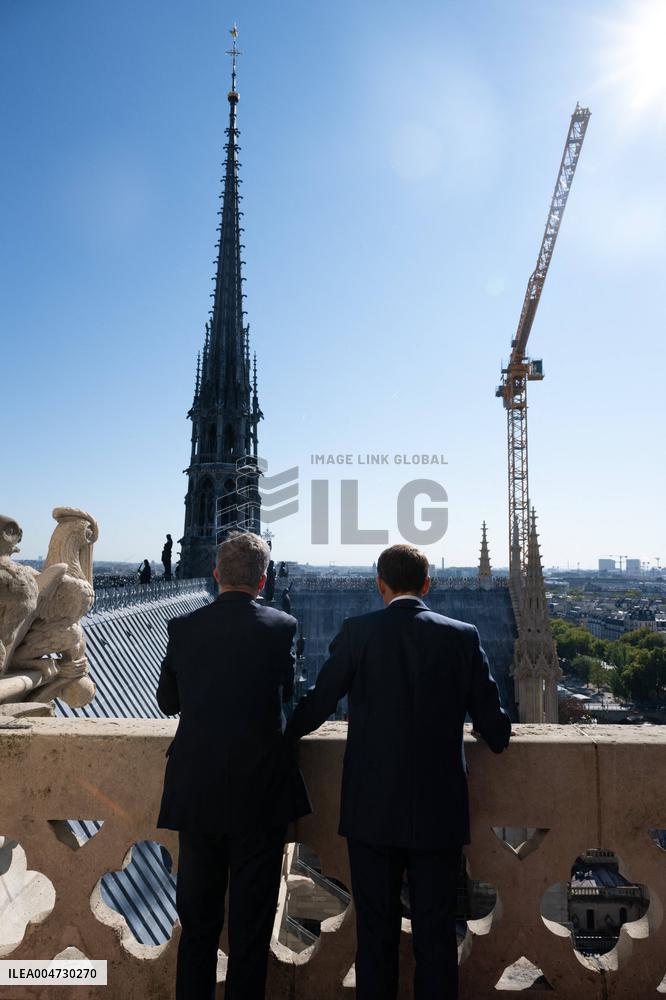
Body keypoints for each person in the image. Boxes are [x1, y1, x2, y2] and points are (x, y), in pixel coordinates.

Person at [285, 543, 511, 1000]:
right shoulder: (463, 636)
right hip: (439, 810)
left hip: (371, 807)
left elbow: (315, 708)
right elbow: (497, 732)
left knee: (375, 936)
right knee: (437, 937)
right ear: (427, 585)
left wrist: (280, 731)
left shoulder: (357, 632)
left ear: (379, 585)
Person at [156, 530, 310, 1000]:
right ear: (263, 581)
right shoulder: (282, 626)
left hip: (197, 789)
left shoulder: (184, 627)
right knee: (251, 929)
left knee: (197, 927)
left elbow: (167, 702)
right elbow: (287, 699)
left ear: (216, 574)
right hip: (260, 793)